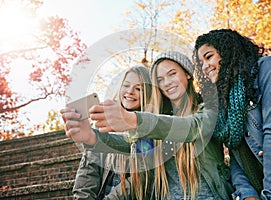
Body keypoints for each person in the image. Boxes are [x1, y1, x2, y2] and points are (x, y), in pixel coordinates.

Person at [89, 51, 234, 199]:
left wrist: (135, 120)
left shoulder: (208, 107)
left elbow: (192, 128)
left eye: (172, 74)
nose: (167, 82)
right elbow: (131, 144)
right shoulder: (160, 119)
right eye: (160, 79)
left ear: (187, 73)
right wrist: (93, 137)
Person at [193, 29, 271, 200]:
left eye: (208, 57)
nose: (204, 67)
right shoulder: (224, 97)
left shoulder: (266, 68)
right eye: (201, 62)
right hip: (260, 190)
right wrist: (247, 194)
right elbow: (236, 157)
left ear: (227, 51)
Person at [61, 65, 153, 199]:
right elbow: (88, 171)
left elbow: (140, 179)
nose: (130, 91)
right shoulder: (103, 126)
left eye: (139, 89)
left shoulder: (149, 128)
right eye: (126, 85)